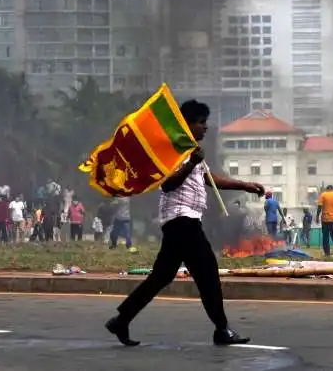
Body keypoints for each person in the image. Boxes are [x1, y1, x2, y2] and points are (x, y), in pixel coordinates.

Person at [105, 99, 265, 347]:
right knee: (208, 273)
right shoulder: (174, 151)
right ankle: (222, 330)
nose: (206, 127)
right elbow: (167, 184)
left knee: (162, 276)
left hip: (180, 222)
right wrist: (190, 162)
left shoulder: (191, 151)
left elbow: (211, 180)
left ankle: (122, 319)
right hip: (182, 221)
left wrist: (245, 185)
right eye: (201, 123)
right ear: (187, 125)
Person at [316, 185, 333, 257]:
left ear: (327, 189)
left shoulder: (323, 195)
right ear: (332, 189)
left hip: (325, 219)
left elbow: (319, 206)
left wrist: (317, 216)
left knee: (325, 237)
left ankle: (327, 253)